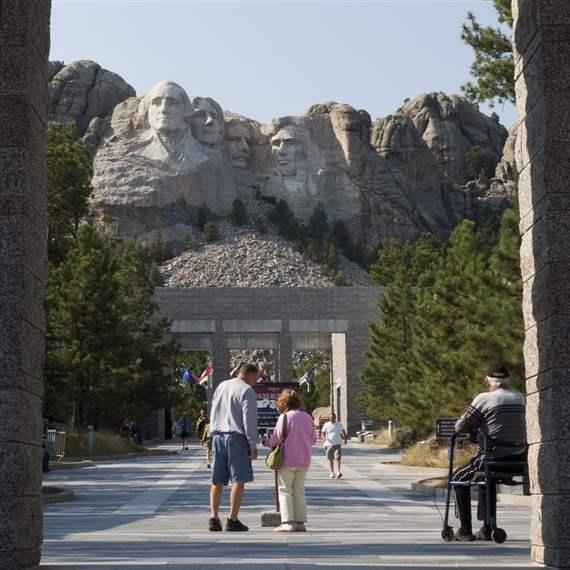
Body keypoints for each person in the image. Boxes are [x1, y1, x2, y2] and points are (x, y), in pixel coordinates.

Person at [453, 363, 526, 542]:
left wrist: (473, 429)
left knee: (458, 478)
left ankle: (465, 530)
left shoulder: (484, 398)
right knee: (488, 479)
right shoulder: (519, 397)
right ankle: (486, 528)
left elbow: (459, 426)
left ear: (487, 381)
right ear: (508, 380)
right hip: (518, 457)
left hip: (493, 456)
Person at [209, 363, 259, 532]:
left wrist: (211, 435)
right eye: (256, 377)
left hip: (217, 435)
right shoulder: (247, 390)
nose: (257, 381)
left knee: (218, 480)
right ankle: (232, 519)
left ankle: (214, 518)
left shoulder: (222, 386)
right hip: (236, 437)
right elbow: (249, 419)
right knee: (238, 479)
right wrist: (253, 444)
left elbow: (213, 410)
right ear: (250, 375)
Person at [263, 389, 316, 532]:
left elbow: (275, 439)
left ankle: (288, 521)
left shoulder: (284, 417)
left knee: (284, 490)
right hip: (304, 459)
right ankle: (300, 522)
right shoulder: (308, 417)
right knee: (299, 490)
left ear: (283, 402)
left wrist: (266, 442)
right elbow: (313, 439)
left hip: (287, 459)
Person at [320, 413, 347, 479]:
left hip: (337, 443)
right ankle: (332, 472)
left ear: (335, 417)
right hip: (329, 444)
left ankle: (338, 472)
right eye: (330, 417)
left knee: (338, 458)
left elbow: (343, 431)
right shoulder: (326, 424)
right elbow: (322, 433)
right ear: (329, 418)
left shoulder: (339, 424)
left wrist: (345, 439)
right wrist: (323, 438)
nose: (331, 418)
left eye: (333, 417)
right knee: (330, 459)